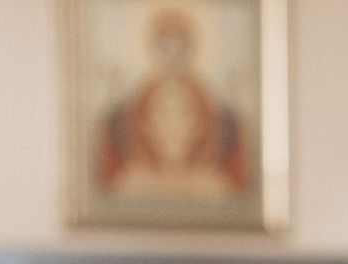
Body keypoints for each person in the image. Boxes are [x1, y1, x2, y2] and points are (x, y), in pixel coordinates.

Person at [96, 7, 247, 200]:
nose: (173, 57)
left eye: (180, 48)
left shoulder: (222, 116)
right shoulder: (122, 116)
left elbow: (233, 181)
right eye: (165, 48)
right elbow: (111, 180)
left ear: (192, 50)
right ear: (153, 50)